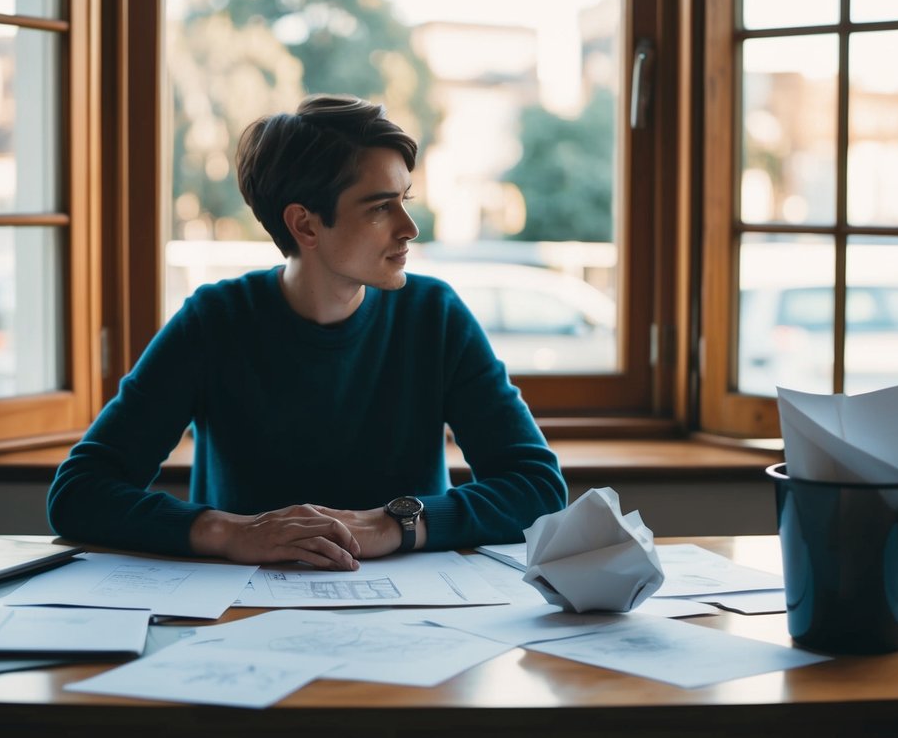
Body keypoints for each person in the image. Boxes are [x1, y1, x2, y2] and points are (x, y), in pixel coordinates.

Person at [47, 94, 567, 570]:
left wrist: (397, 524)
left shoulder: (435, 315)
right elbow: (78, 493)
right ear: (306, 225)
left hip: (417, 615)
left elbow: (539, 487)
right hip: (239, 616)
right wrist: (231, 532)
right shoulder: (215, 321)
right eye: (381, 207)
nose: (409, 227)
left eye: (405, 199)